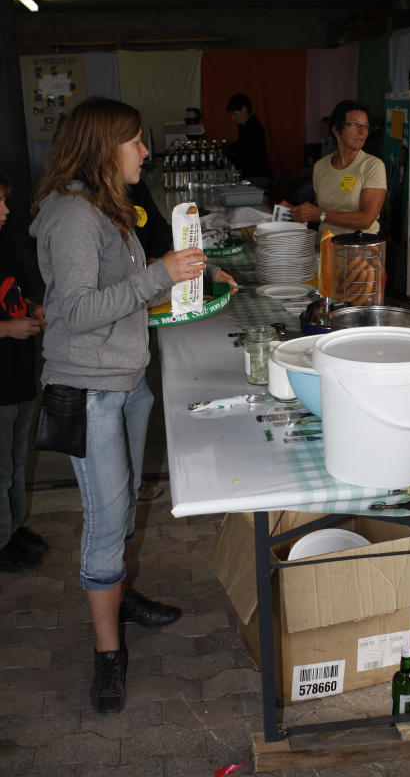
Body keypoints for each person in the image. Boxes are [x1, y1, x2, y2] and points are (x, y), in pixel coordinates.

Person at [30, 97, 207, 714]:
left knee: (126, 504)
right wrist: (160, 275)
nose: (145, 151)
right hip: (91, 391)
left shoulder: (108, 205)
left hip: (126, 381)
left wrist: (185, 279)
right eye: (135, 140)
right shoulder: (73, 216)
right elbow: (76, 310)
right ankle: (108, 653)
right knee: (104, 523)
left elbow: (120, 292)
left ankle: (121, 596)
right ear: (105, 146)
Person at [127, 177, 237, 501]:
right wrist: (156, 272)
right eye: (136, 148)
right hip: (105, 363)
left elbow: (164, 243)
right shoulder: (81, 210)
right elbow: (86, 303)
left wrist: (208, 271)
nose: (145, 153)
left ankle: (131, 483)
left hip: (132, 347)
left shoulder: (135, 188)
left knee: (136, 406)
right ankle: (126, 486)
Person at [0, 170, 50, 573]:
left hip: (18, 376)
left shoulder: (3, 247)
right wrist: (6, 329)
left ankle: (12, 529)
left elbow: (15, 295)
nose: (5, 209)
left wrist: (33, 308)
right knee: (0, 471)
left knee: (17, 463)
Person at [281, 100, 386, 242]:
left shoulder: (372, 166)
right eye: (355, 124)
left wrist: (320, 214)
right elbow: (319, 212)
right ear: (336, 130)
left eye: (366, 126)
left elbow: (366, 219)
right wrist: (294, 211)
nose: (362, 131)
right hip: (325, 246)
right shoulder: (321, 166)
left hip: (359, 248)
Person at [226, 93, 269, 182]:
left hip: (256, 176)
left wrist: (224, 150)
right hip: (251, 175)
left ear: (244, 109)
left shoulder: (253, 126)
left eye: (235, 114)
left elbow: (240, 146)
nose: (233, 118)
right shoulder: (245, 126)